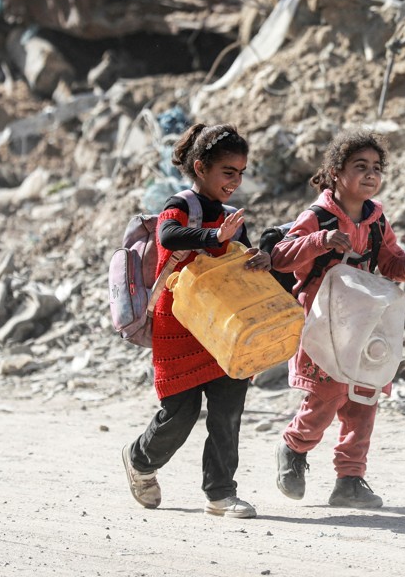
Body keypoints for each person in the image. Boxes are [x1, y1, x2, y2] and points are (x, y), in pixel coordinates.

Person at [271, 130, 405, 509]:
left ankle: (350, 479)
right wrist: (320, 241)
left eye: (376, 168)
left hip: (365, 322)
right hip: (323, 324)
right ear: (336, 172)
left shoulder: (376, 220)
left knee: (364, 397)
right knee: (325, 396)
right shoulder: (317, 216)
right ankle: (293, 446)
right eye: (360, 166)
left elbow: (389, 258)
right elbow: (280, 256)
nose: (370, 174)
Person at [122, 123, 271, 519]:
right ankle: (140, 459)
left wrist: (259, 258)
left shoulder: (229, 215)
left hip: (222, 325)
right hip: (180, 324)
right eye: (228, 172)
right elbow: (169, 236)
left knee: (228, 410)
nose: (235, 181)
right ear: (202, 167)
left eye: (240, 172)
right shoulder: (182, 204)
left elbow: (238, 256)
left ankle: (220, 493)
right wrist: (215, 238)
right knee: (181, 412)